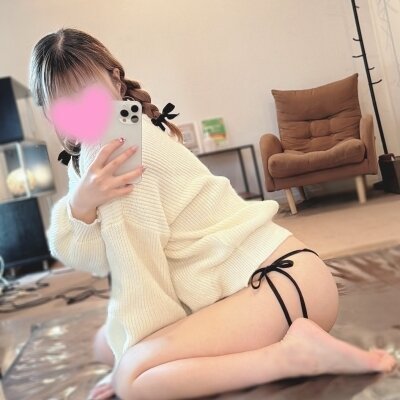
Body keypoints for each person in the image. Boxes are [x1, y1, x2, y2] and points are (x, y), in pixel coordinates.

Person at [29, 27, 396, 400]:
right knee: (106, 344)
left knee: (131, 379)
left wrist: (139, 361)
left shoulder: (115, 146)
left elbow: (138, 272)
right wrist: (80, 205)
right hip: (289, 280)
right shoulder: (98, 151)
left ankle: (292, 356)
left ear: (115, 81)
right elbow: (92, 254)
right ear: (48, 112)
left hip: (279, 286)